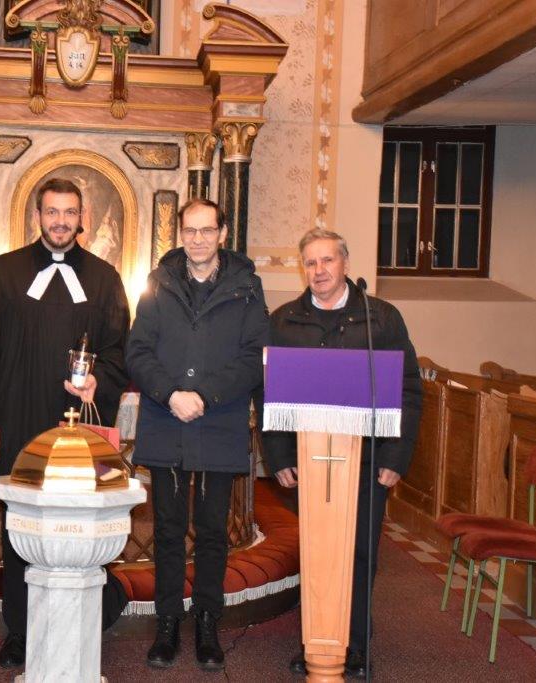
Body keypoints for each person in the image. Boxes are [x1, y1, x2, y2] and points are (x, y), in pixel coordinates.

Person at [0, 177, 131, 669]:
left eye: (70, 212)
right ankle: (20, 629)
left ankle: (86, 614)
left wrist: (98, 379)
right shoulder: (5, 270)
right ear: (37, 216)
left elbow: (120, 348)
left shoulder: (104, 277)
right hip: (17, 416)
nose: (61, 221)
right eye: (52, 212)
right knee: (19, 524)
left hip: (76, 425)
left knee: (80, 520)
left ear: (82, 219)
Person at [262, 228, 422, 678]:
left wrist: (395, 456)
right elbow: (268, 390)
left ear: (345, 263)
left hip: (367, 462)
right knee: (316, 553)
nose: (320, 271)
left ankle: (355, 645)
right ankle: (316, 642)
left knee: (360, 554)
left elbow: (408, 389)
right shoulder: (285, 320)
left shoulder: (381, 318)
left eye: (328, 260)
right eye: (311, 262)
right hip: (308, 462)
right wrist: (278, 456)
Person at [125, 198, 268, 671]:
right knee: (167, 531)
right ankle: (167, 622)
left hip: (218, 420)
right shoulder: (158, 282)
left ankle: (208, 622)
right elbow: (137, 351)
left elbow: (254, 356)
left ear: (223, 234)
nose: (199, 239)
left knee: (211, 533)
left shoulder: (247, 286)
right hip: (166, 419)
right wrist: (171, 394)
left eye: (208, 230)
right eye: (190, 230)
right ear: (180, 234)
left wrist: (202, 395)